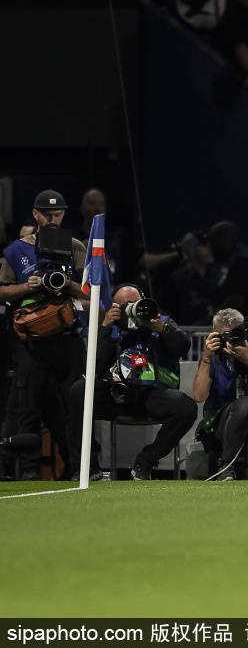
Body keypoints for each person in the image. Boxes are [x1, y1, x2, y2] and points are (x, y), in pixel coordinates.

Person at [1, 191, 87, 479]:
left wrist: (67, 284)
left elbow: (91, 292)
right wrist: (27, 286)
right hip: (32, 341)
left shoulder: (75, 247)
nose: (52, 219)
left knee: (74, 405)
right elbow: (2, 290)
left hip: (66, 337)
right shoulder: (16, 250)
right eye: (47, 214)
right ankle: (28, 470)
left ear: (64, 215)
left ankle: (79, 467)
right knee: (28, 407)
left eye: (58, 214)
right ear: (35, 214)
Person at [68, 284, 196, 480]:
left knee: (186, 408)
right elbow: (94, 366)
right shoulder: (111, 325)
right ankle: (88, 467)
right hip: (116, 394)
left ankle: (145, 461)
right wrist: (106, 327)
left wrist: (160, 328)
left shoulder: (159, 320)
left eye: (135, 303)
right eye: (123, 305)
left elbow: (182, 346)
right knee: (79, 391)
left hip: (151, 394)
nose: (131, 309)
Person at [191, 308, 248, 480]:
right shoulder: (211, 357)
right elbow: (199, 396)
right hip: (218, 422)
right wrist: (206, 358)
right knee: (246, 403)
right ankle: (225, 466)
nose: (230, 340)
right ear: (215, 335)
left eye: (235, 334)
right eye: (225, 336)